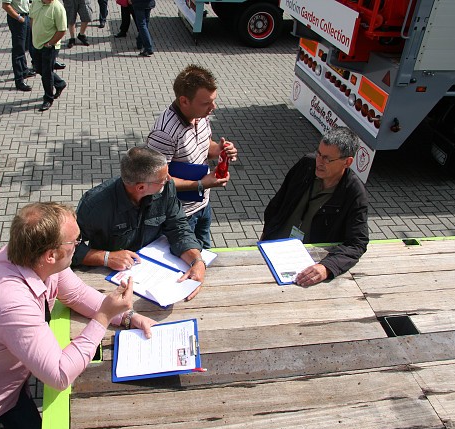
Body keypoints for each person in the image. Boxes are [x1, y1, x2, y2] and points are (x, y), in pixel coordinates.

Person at [0, 202, 156, 429]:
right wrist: (103, 318)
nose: (79, 245)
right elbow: (59, 374)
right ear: (51, 255)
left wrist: (130, 317)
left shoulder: (32, 256)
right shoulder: (10, 303)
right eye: (75, 242)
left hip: (8, 388)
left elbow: (75, 294)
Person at [72, 146, 207, 300]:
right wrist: (106, 257)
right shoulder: (95, 204)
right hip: (109, 283)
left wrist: (197, 260)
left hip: (155, 277)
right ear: (141, 187)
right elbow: (66, 247)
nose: (169, 179)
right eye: (163, 179)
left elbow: (178, 226)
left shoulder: (166, 189)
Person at [260, 126, 369, 287]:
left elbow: (357, 243)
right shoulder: (306, 165)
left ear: (347, 162)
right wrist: (266, 234)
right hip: (273, 249)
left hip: (308, 265)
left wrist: (327, 267)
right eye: (319, 153)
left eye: (327, 159)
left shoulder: (354, 192)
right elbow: (278, 202)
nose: (319, 162)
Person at [147, 64, 238, 249]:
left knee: (204, 255)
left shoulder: (201, 115)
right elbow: (157, 181)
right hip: (180, 216)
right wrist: (202, 184)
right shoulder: (164, 132)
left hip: (203, 206)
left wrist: (220, 150)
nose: (213, 107)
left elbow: (206, 147)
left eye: (213, 100)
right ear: (184, 101)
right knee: (187, 263)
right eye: (206, 103)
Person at [31, 0, 68, 112]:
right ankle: (60, 83)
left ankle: (48, 98)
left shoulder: (57, 8)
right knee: (39, 68)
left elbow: (62, 30)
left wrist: (50, 43)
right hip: (36, 44)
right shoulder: (36, 2)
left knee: (46, 73)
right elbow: (32, 19)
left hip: (49, 47)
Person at [2, 0, 37, 92]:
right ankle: (19, 80)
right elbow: (5, 5)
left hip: (26, 16)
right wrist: (18, 17)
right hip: (17, 19)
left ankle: (24, 70)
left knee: (26, 45)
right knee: (18, 49)